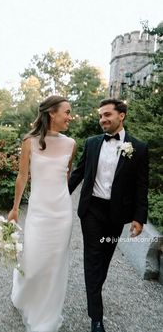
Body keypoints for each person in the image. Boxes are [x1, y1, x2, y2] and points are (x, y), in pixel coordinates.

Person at [68, 98, 149, 332]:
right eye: (101, 116)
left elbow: (141, 186)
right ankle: (96, 318)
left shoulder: (139, 148)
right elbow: (78, 173)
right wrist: (58, 196)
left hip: (116, 215)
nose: (102, 119)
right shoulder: (92, 143)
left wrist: (139, 217)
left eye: (107, 115)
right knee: (93, 258)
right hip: (91, 210)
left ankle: (94, 290)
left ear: (121, 115)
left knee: (104, 259)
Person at [8, 95, 76, 332]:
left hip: (62, 213)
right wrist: (15, 208)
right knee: (34, 260)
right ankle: (25, 295)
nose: (70, 117)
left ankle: (47, 314)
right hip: (38, 212)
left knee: (56, 264)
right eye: (66, 112)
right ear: (51, 113)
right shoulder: (30, 141)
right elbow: (22, 176)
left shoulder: (71, 144)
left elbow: (65, 177)